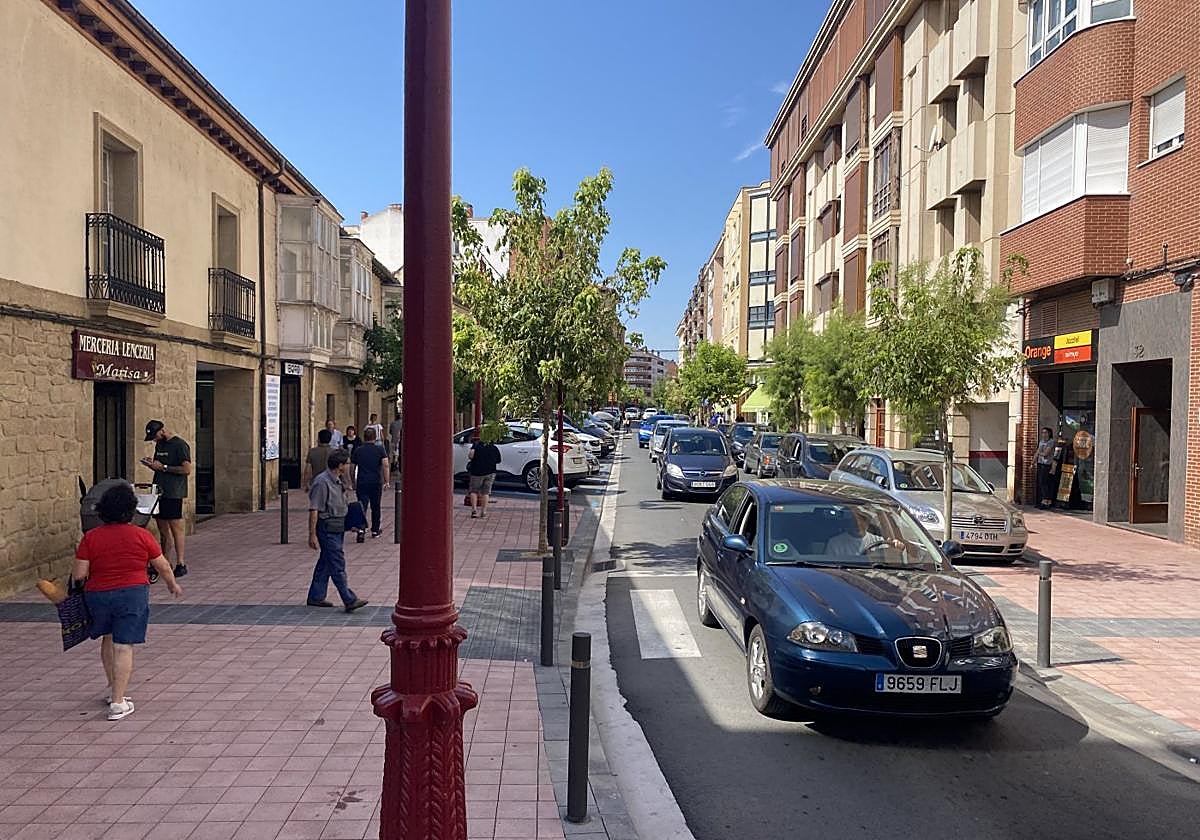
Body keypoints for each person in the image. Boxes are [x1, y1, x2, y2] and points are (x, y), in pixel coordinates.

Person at [74, 482, 183, 721]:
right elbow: (162, 564)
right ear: (131, 510)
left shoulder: (90, 538)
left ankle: (114, 689)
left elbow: (79, 574)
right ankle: (118, 701)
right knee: (124, 645)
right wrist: (172, 585)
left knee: (107, 638)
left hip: (98, 594)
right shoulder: (141, 535)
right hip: (132, 593)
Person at [307, 449, 368, 613]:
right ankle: (349, 598)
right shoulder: (322, 482)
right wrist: (312, 534)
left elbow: (341, 505)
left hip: (338, 526)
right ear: (340, 465)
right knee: (337, 563)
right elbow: (314, 509)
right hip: (328, 528)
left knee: (326, 562)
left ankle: (316, 596)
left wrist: (351, 523)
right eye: (347, 463)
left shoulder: (338, 481)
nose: (349, 466)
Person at [140, 420, 192, 578]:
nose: (154, 440)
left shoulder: (179, 445)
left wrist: (163, 468)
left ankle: (180, 563)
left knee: (176, 528)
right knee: (163, 529)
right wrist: (152, 465)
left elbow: (186, 469)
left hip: (173, 492)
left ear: (162, 431)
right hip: (159, 490)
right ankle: (165, 562)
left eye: (154, 436)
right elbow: (159, 464)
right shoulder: (160, 446)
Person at [351, 427, 390, 537]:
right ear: (375, 437)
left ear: (364, 437)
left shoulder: (358, 450)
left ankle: (361, 529)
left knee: (362, 505)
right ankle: (375, 530)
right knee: (375, 506)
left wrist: (353, 481)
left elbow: (352, 467)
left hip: (362, 481)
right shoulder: (380, 449)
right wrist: (386, 481)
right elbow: (385, 465)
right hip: (375, 481)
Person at [466, 429, 502, 519]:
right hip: (490, 472)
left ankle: (474, 510)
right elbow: (498, 460)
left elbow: (470, 456)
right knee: (486, 493)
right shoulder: (494, 447)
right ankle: (484, 511)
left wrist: (474, 448)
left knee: (473, 491)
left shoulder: (477, 445)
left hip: (477, 472)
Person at [1035, 427, 1056, 509]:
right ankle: (1042, 500)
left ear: (1049, 433)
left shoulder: (1051, 442)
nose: (1044, 434)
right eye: (1043, 432)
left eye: (1045, 432)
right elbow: (1037, 453)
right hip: (1040, 463)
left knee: (1045, 483)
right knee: (1040, 483)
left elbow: (1046, 453)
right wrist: (1033, 462)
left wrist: (1039, 452)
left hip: (1047, 465)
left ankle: (1046, 501)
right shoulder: (1041, 442)